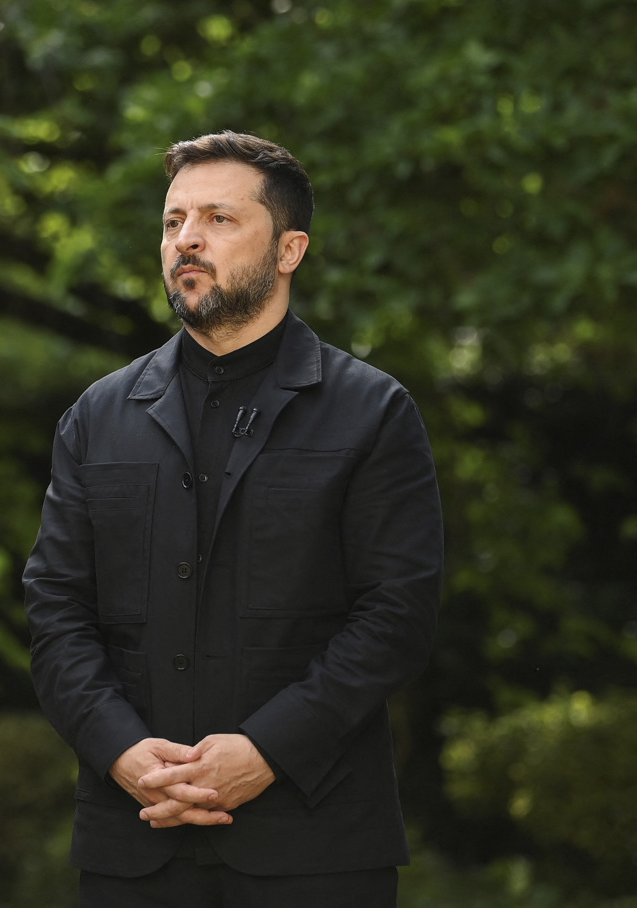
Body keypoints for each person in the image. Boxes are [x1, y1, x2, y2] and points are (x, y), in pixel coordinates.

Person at [23, 131, 442, 906]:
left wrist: (266, 750)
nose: (186, 238)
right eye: (174, 219)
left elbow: (396, 616)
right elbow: (56, 612)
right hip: (134, 839)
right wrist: (122, 751)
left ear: (290, 250)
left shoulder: (372, 412)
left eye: (218, 218)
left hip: (316, 846)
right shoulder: (97, 416)